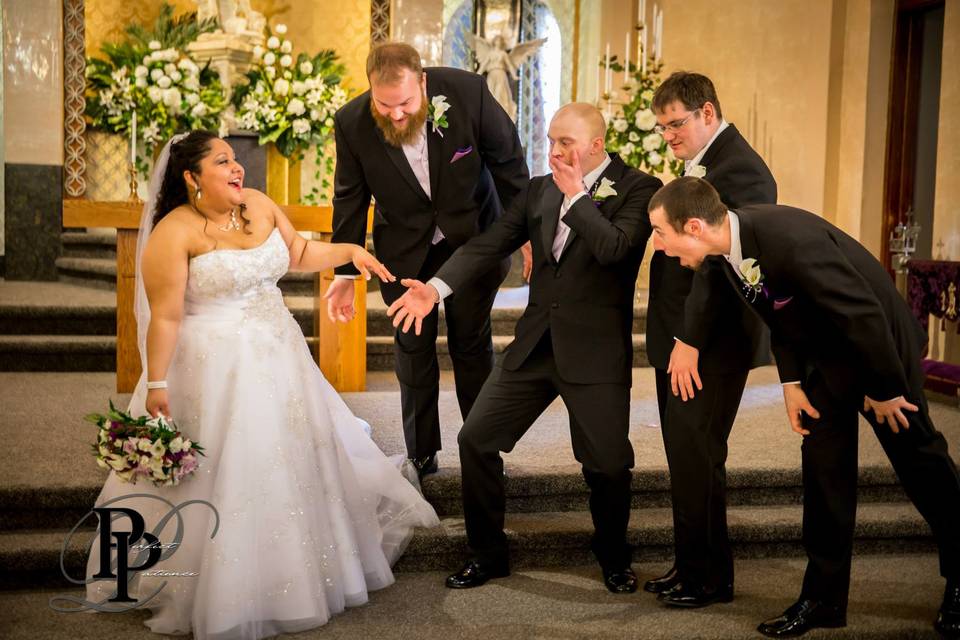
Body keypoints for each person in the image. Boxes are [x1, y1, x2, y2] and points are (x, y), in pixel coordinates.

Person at [84, 131, 439, 639]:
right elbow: (163, 318)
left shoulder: (258, 205)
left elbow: (297, 252)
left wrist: (349, 254)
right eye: (222, 161)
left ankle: (291, 573)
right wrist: (157, 382)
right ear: (191, 177)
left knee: (287, 458)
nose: (237, 169)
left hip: (280, 356)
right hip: (216, 365)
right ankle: (221, 587)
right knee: (231, 469)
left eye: (235, 159)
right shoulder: (174, 232)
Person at [647, 176, 960, 639]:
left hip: (880, 354)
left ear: (693, 226)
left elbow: (862, 313)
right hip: (824, 357)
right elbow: (782, 312)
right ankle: (824, 599)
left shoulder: (787, 240)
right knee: (824, 471)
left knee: (920, 465)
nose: (659, 246)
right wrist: (792, 383)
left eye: (660, 233)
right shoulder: (727, 252)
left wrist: (886, 387)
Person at [387, 103, 662, 593]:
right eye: (552, 140)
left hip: (596, 352)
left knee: (608, 464)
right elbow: (488, 244)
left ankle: (613, 553)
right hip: (535, 345)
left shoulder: (640, 188)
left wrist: (578, 197)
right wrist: (435, 288)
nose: (555, 151)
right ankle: (488, 554)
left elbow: (616, 251)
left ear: (596, 145)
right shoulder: (537, 191)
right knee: (475, 440)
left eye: (566, 143)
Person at [326, 42, 529, 478]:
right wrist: (344, 270)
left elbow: (509, 163)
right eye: (385, 105)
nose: (396, 115)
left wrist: (528, 232)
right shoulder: (351, 123)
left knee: (470, 343)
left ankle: (483, 445)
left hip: (472, 237)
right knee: (412, 348)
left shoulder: (468, 93)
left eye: (405, 103)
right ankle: (422, 452)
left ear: (422, 82)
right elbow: (349, 198)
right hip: (404, 247)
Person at [643, 72, 777, 607]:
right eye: (663, 127)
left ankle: (710, 578)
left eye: (676, 124)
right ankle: (689, 563)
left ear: (707, 112)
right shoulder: (703, 163)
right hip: (685, 339)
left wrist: (690, 339)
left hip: (711, 343)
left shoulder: (742, 170)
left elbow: (724, 268)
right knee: (685, 453)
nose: (670, 136)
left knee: (699, 452)